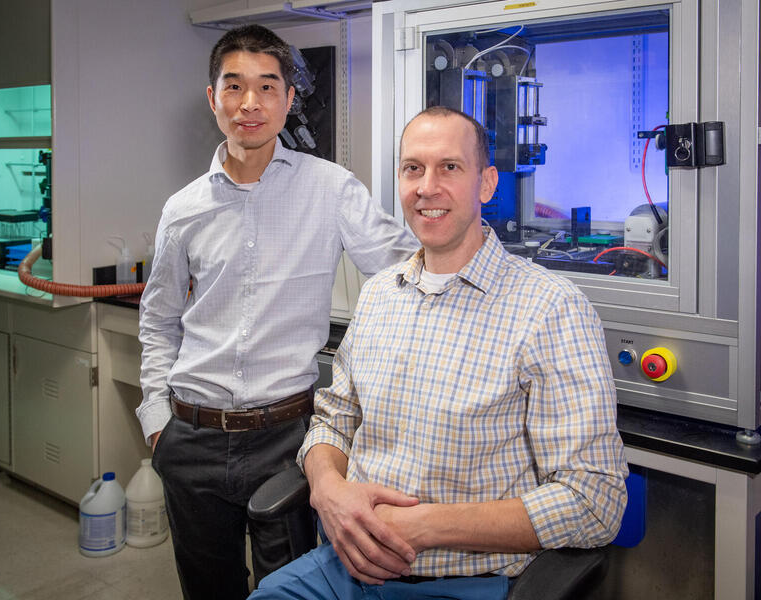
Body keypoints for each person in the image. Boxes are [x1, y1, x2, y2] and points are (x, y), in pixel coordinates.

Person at [250, 106, 629, 600]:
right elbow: (333, 421)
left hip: (464, 581)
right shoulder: (382, 292)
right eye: (413, 169)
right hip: (342, 565)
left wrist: (426, 527)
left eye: (450, 167)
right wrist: (329, 490)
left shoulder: (550, 309)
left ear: (487, 183)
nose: (427, 187)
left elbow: (595, 501)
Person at [137, 24, 418, 600]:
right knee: (207, 589)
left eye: (268, 87)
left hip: (287, 437)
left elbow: (402, 269)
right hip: (191, 432)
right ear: (212, 97)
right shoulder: (183, 208)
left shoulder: (330, 188)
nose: (250, 103)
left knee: (291, 591)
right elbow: (159, 317)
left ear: (289, 100)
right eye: (233, 86)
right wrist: (156, 420)